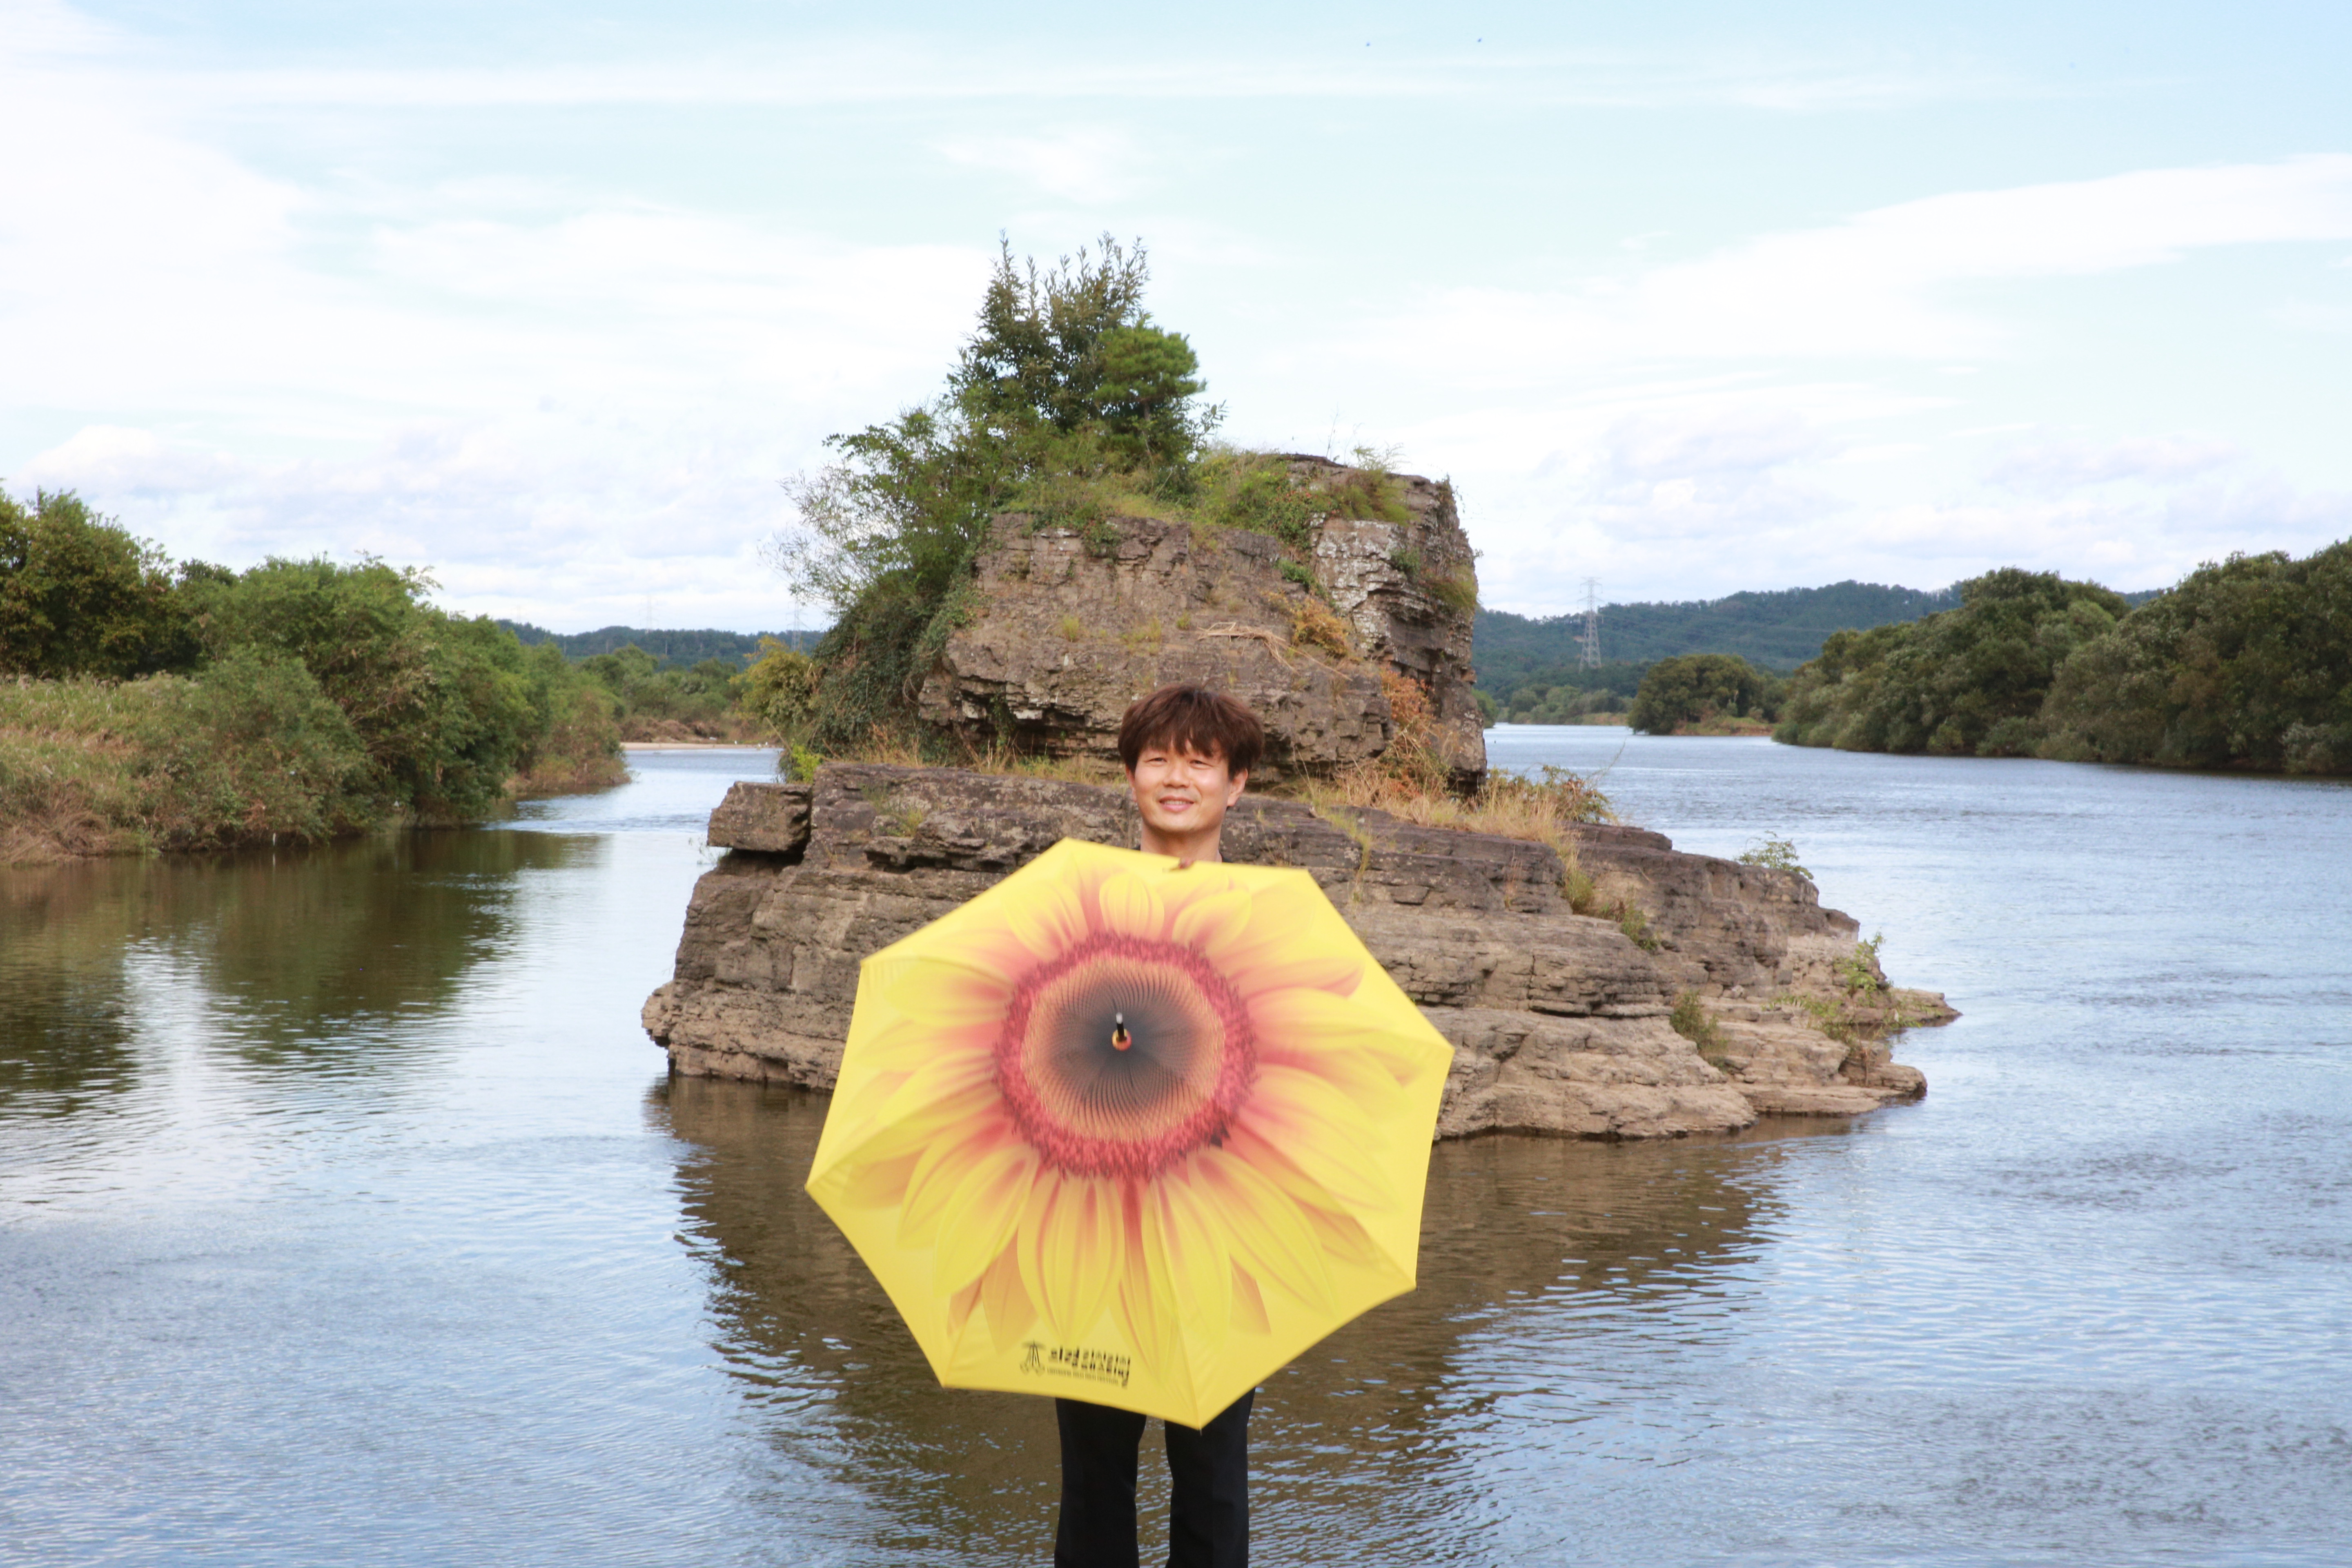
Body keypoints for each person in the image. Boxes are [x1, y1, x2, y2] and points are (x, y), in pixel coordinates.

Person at [1053, 682, 1265, 1568]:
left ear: (1237, 783)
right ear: (1131, 775)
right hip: (1091, 1237)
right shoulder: (1080, 907)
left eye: (1200, 761)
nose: (1177, 779)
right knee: (1094, 1482)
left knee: (1214, 1480)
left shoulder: (1267, 923)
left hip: (1218, 1240)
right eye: (1157, 759)